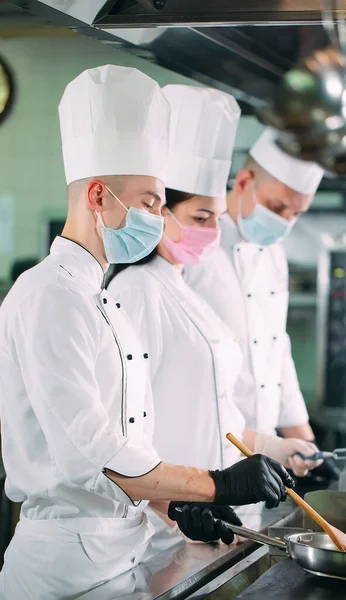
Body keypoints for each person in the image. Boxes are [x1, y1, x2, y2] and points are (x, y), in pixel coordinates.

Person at [0, 66, 293, 600]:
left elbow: (130, 444)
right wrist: (215, 483)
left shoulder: (104, 297)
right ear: (96, 196)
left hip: (122, 557)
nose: (158, 222)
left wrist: (176, 507)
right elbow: (95, 452)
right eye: (150, 204)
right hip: (61, 573)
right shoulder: (47, 295)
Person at [107, 85, 318, 557]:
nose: (213, 234)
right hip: (165, 520)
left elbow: (231, 388)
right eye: (202, 216)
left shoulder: (183, 288)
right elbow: (122, 434)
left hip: (217, 502)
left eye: (216, 219)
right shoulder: (135, 291)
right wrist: (176, 502)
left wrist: (282, 443)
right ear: (158, 213)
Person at [185, 127, 327, 475]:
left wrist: (308, 448)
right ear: (244, 182)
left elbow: (276, 348)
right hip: (200, 454)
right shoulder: (194, 249)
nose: (284, 222)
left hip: (264, 461)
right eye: (277, 207)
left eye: (296, 213)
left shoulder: (274, 255)